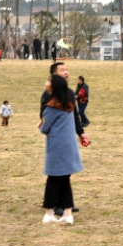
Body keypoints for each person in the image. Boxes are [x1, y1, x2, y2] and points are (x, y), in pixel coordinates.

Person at [40, 75, 87, 224]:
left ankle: (49, 213)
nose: (46, 82)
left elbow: (45, 127)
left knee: (52, 179)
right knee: (65, 180)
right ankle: (68, 213)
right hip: (69, 146)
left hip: (56, 146)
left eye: (48, 81)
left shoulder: (51, 107)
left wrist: (41, 125)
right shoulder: (68, 104)